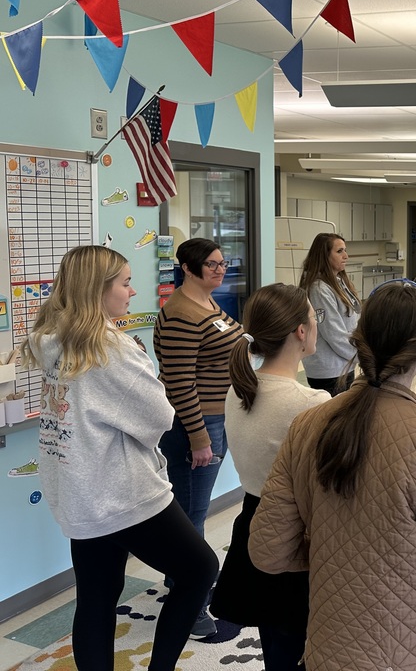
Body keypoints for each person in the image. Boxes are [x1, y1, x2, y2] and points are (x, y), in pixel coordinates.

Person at [249, 279, 416, 671]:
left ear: (357, 340)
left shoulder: (308, 424)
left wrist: (338, 554)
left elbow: (268, 550)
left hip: (328, 648)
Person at [23, 246, 219, 671]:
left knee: (97, 594)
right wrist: (142, 360)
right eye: (125, 283)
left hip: (79, 490)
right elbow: (161, 417)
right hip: (122, 491)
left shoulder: (53, 340)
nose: (132, 293)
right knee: (201, 569)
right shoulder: (111, 349)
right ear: (98, 290)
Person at [209, 284, 330, 670]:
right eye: (315, 317)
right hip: (298, 533)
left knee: (275, 642)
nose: (316, 324)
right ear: (300, 330)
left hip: (253, 523)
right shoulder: (310, 403)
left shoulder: (239, 389)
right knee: (304, 643)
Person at [154, 237, 243, 638]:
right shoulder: (180, 313)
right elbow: (179, 382)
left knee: (194, 510)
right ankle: (189, 609)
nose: (219, 270)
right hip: (196, 424)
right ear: (187, 269)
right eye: (210, 264)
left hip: (215, 418)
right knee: (191, 516)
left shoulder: (208, 303)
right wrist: (198, 437)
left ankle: (182, 585)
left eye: (222, 263)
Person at [299, 233, 360, 395]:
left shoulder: (338, 281)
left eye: (345, 250)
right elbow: (334, 334)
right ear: (324, 256)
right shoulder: (319, 289)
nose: (346, 256)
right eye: (339, 251)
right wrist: (362, 356)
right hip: (330, 370)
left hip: (344, 363)